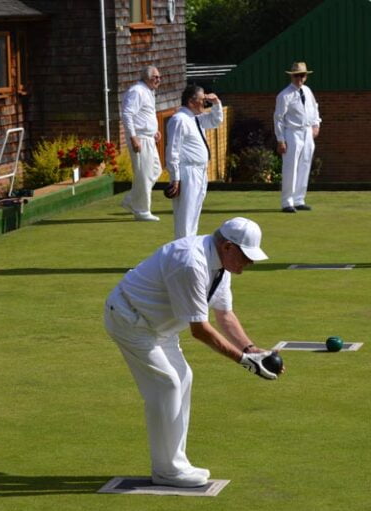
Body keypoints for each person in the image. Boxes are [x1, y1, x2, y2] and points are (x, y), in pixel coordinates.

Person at [104, 217, 281, 487]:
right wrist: (245, 362)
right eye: (247, 256)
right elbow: (199, 330)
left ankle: (176, 463)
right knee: (167, 385)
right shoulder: (191, 263)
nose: (250, 264)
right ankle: (166, 471)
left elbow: (225, 315)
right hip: (131, 321)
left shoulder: (220, 266)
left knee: (183, 379)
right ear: (229, 247)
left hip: (160, 327)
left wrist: (251, 349)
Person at [165, 84, 223, 239]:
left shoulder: (195, 119)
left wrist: (216, 102)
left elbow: (216, 121)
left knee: (194, 215)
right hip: (187, 172)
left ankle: (188, 250)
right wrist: (175, 178)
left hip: (200, 171)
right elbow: (172, 151)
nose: (205, 103)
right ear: (191, 102)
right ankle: (182, 253)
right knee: (185, 216)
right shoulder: (179, 120)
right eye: (202, 99)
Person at [274, 62, 321, 213]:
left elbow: (314, 108)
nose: (299, 78)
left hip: (307, 132)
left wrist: (316, 124)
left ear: (306, 77)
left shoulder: (307, 91)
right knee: (290, 167)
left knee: (305, 165)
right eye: (296, 75)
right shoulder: (284, 95)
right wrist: (280, 139)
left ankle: (299, 199)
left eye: (302, 75)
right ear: (291, 76)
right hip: (292, 132)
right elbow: (278, 118)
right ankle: (287, 202)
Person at [120, 66, 163, 222]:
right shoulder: (137, 91)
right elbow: (127, 114)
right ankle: (141, 211)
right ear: (146, 77)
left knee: (156, 170)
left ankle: (132, 199)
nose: (158, 79)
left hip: (148, 137)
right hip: (140, 138)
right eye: (155, 77)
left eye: (159, 77)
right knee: (143, 174)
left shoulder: (149, 92)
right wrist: (133, 137)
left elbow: (145, 115)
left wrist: (154, 131)